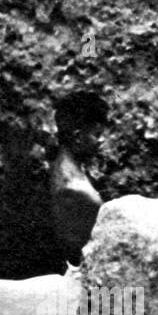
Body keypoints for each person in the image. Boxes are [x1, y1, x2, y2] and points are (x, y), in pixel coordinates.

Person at [48, 91, 110, 267]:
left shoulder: (58, 165)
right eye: (97, 134)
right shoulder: (78, 191)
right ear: (78, 137)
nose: (102, 140)